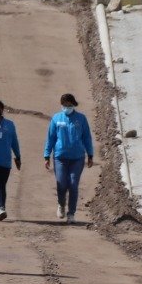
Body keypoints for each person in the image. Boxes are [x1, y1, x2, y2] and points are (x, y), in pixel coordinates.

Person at [43, 93, 94, 224]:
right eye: (65, 105)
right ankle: (61, 204)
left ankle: (71, 213)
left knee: (73, 184)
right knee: (61, 183)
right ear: (61, 105)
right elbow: (51, 137)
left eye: (70, 105)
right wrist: (47, 155)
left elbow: (87, 137)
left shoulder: (81, 119)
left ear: (73, 105)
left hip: (77, 158)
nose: (67, 108)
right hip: (60, 157)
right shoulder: (56, 118)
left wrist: (90, 154)